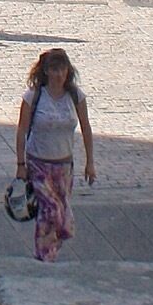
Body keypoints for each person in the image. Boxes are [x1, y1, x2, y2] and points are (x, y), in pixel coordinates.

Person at [15, 47, 95, 263]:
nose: (59, 74)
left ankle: (47, 253)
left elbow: (86, 128)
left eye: (62, 69)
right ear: (46, 71)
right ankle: (44, 254)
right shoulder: (33, 97)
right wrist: (21, 164)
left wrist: (90, 163)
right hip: (38, 164)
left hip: (64, 166)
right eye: (54, 69)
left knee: (58, 214)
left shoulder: (75, 96)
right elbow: (21, 131)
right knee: (51, 210)